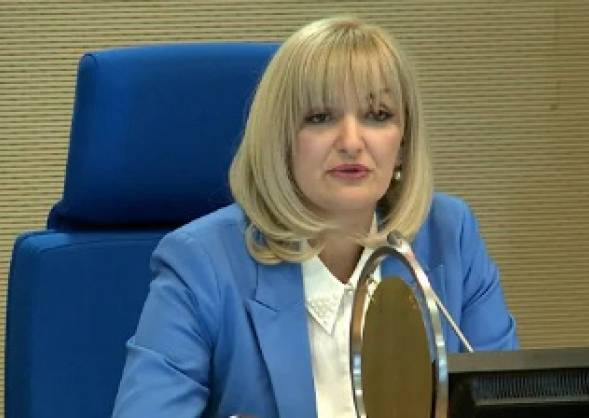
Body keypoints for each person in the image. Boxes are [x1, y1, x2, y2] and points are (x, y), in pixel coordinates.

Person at [112, 16, 518, 418]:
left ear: (403, 143)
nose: (352, 142)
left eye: (378, 115)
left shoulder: (450, 235)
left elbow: (507, 402)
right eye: (320, 117)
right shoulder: (203, 262)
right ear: (281, 140)